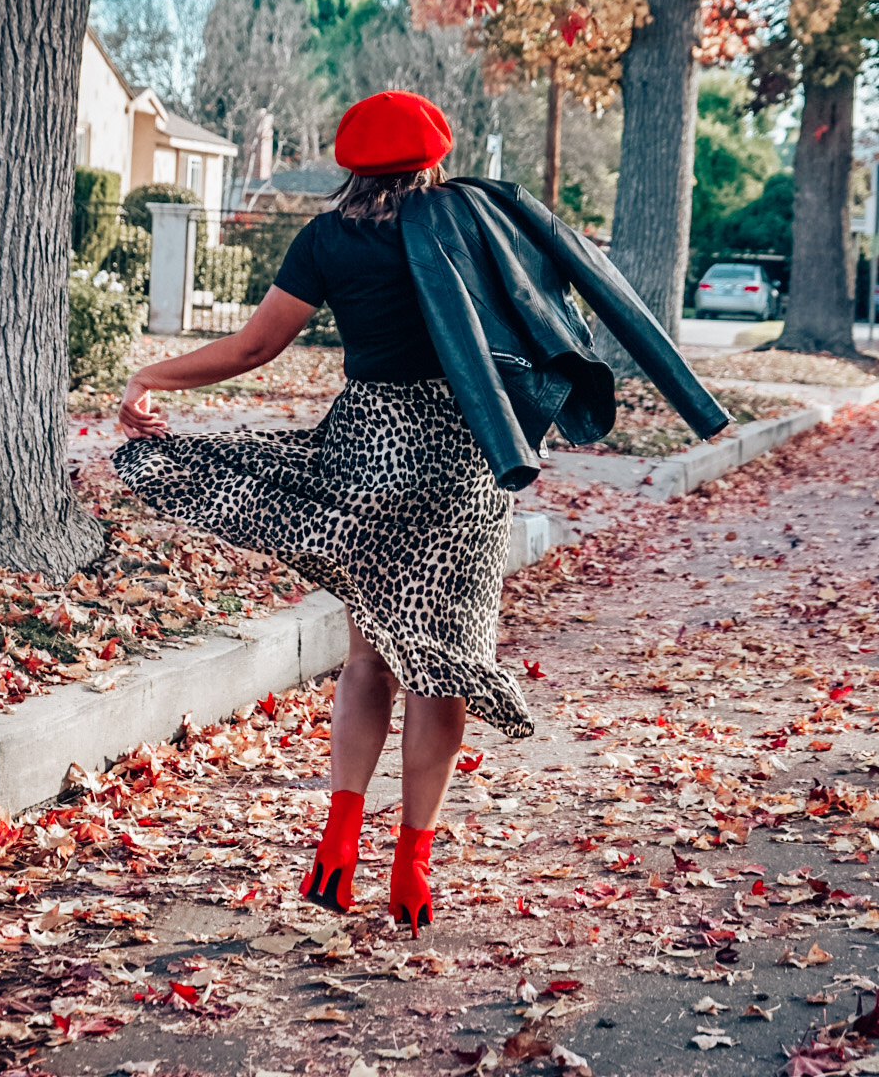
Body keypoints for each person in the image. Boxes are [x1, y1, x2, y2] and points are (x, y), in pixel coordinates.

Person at [113, 90, 727, 936]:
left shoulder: (328, 238)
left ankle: (336, 850)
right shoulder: (473, 222)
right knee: (445, 665)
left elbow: (255, 348)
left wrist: (152, 378)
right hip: (465, 457)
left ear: (350, 161)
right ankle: (413, 868)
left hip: (371, 451)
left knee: (371, 659)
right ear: (435, 157)